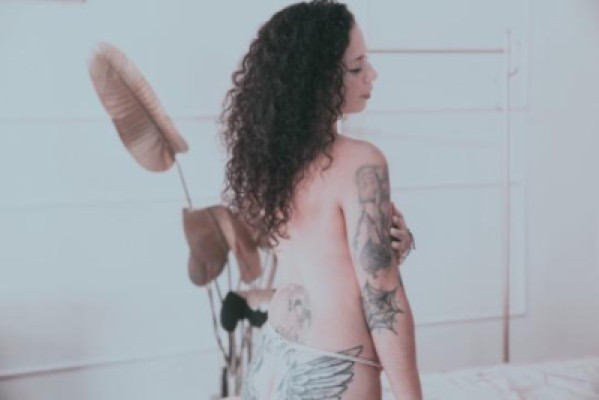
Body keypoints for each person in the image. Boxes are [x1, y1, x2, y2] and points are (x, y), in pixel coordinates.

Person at [219, 1, 422, 398]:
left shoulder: (272, 163)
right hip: (334, 367)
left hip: (271, 362)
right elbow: (381, 295)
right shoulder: (361, 162)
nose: (372, 74)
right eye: (357, 68)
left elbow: (324, 255)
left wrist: (392, 246)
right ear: (318, 79)